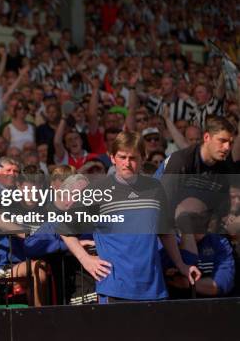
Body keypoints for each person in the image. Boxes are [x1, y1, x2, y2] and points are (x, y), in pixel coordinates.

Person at [61, 131, 201, 302]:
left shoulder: (155, 188)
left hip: (154, 288)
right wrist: (86, 260)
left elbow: (165, 232)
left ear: (143, 158)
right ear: (112, 158)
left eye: (133, 158)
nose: (127, 163)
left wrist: (181, 265)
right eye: (122, 157)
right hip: (114, 288)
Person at [162, 116, 237, 253]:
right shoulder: (181, 161)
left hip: (206, 229)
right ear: (207, 137)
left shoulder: (225, 168)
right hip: (174, 229)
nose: (227, 147)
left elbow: (222, 211)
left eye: (230, 143)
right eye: (222, 141)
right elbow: (164, 205)